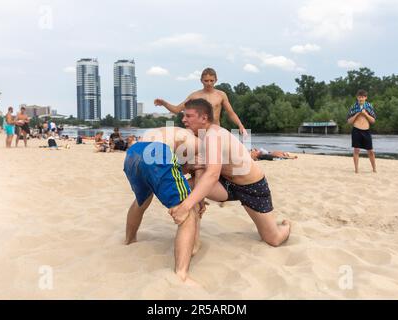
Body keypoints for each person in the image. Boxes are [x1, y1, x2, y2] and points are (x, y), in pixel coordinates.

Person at [169, 98, 291, 248]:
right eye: (184, 115)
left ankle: (286, 225)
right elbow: (197, 168)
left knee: (274, 239)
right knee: (183, 189)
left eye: (188, 116)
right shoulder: (199, 135)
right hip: (225, 183)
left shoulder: (214, 136)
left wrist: (186, 205)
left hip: (251, 186)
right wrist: (196, 197)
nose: (184, 119)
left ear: (204, 118)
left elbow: (212, 175)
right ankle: (192, 242)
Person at [124, 126, 204, 282]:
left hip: (133, 153)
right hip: (157, 153)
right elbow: (199, 178)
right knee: (187, 210)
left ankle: (129, 239)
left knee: (141, 201)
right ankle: (181, 274)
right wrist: (198, 201)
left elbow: (178, 166)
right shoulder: (198, 143)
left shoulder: (169, 132)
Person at [154, 68, 248, 136]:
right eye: (206, 81)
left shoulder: (221, 95)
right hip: (199, 133)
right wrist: (164, 103)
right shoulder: (195, 96)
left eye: (211, 80)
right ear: (201, 81)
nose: (209, 83)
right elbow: (177, 110)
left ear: (216, 80)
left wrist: (241, 126)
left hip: (215, 131)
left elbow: (231, 113)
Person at [347, 89, 377, 173]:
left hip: (366, 130)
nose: (361, 99)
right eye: (359, 97)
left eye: (362, 97)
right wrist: (356, 114)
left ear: (366, 97)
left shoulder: (369, 106)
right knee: (356, 150)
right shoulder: (353, 107)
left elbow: (373, 121)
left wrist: (365, 114)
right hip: (356, 130)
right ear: (357, 97)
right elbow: (349, 121)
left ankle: (374, 169)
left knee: (370, 151)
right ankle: (356, 170)